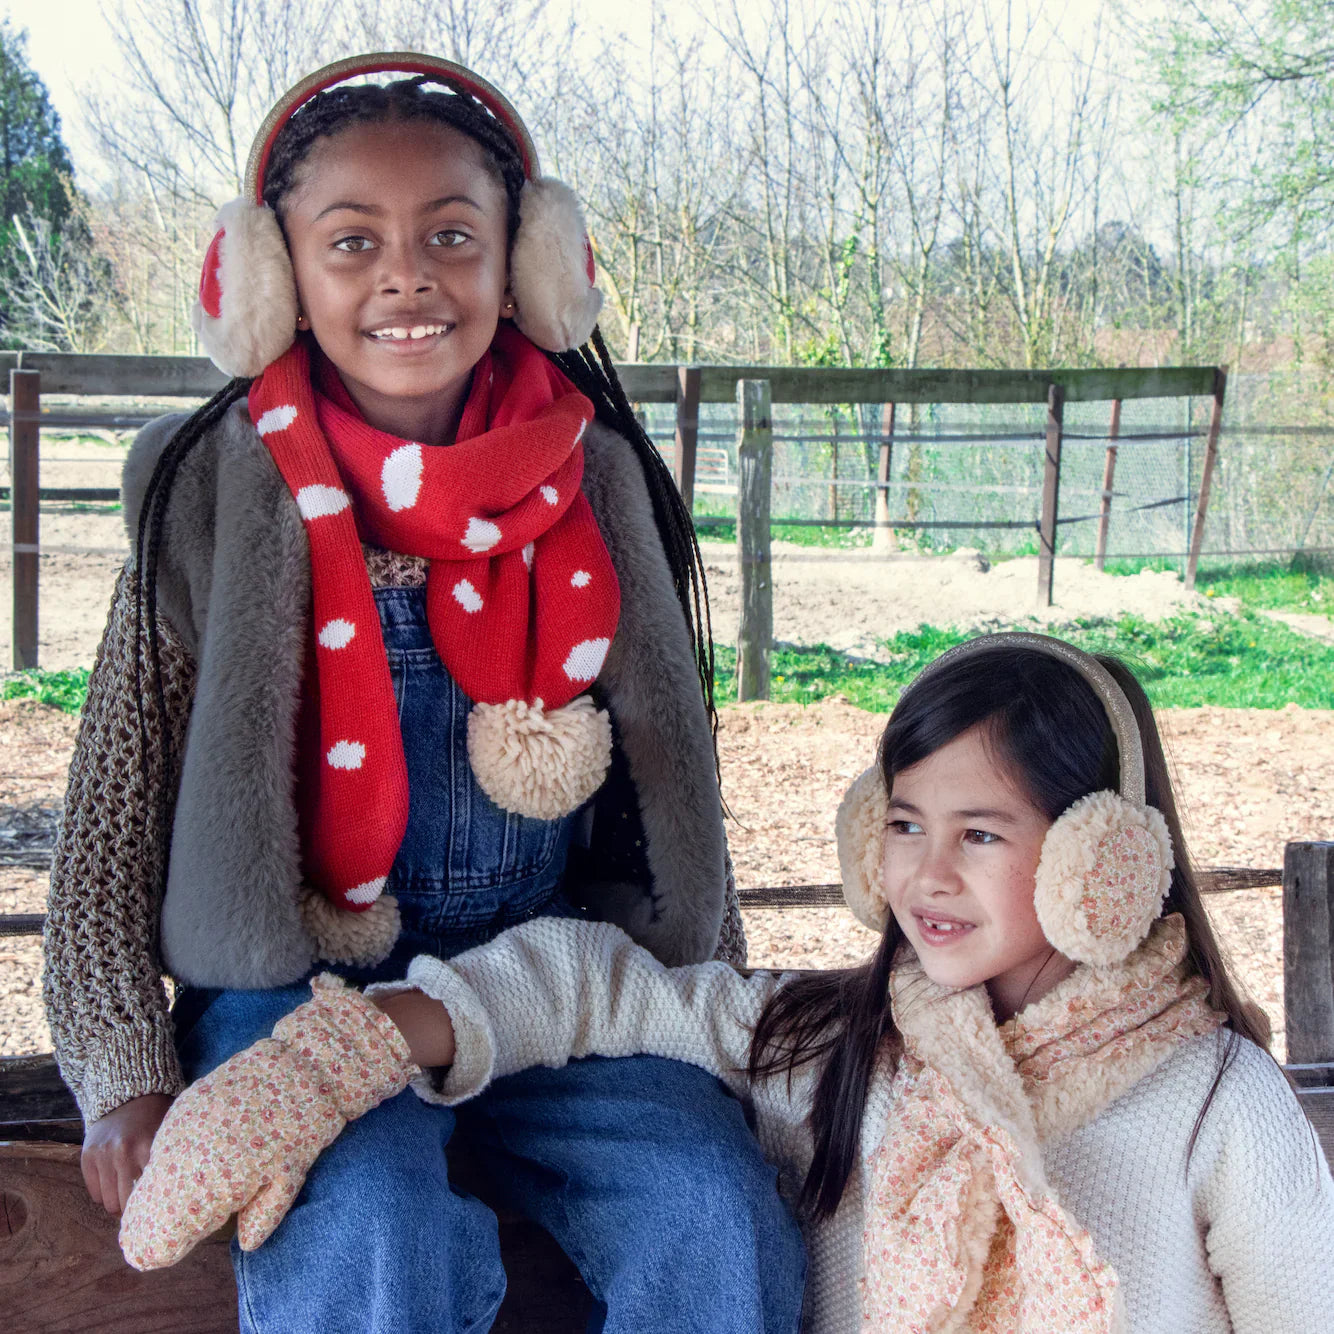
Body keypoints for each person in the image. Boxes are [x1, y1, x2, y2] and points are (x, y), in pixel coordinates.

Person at [44, 53, 804, 1334]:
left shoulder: (599, 481)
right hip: (291, 1001)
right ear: (275, 275)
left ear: (526, 262)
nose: (406, 275)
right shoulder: (209, 495)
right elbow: (108, 834)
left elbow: (674, 788)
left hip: (550, 983)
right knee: (369, 1220)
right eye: (352, 242)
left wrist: (709, 1006)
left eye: (452, 234)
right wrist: (121, 1070)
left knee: (713, 1206)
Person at [122, 632, 1334, 1332]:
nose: (926, 872)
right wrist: (345, 1051)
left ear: (1098, 861)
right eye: (903, 822)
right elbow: (592, 984)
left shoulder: (1213, 1100)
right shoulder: (841, 1045)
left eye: (979, 832)